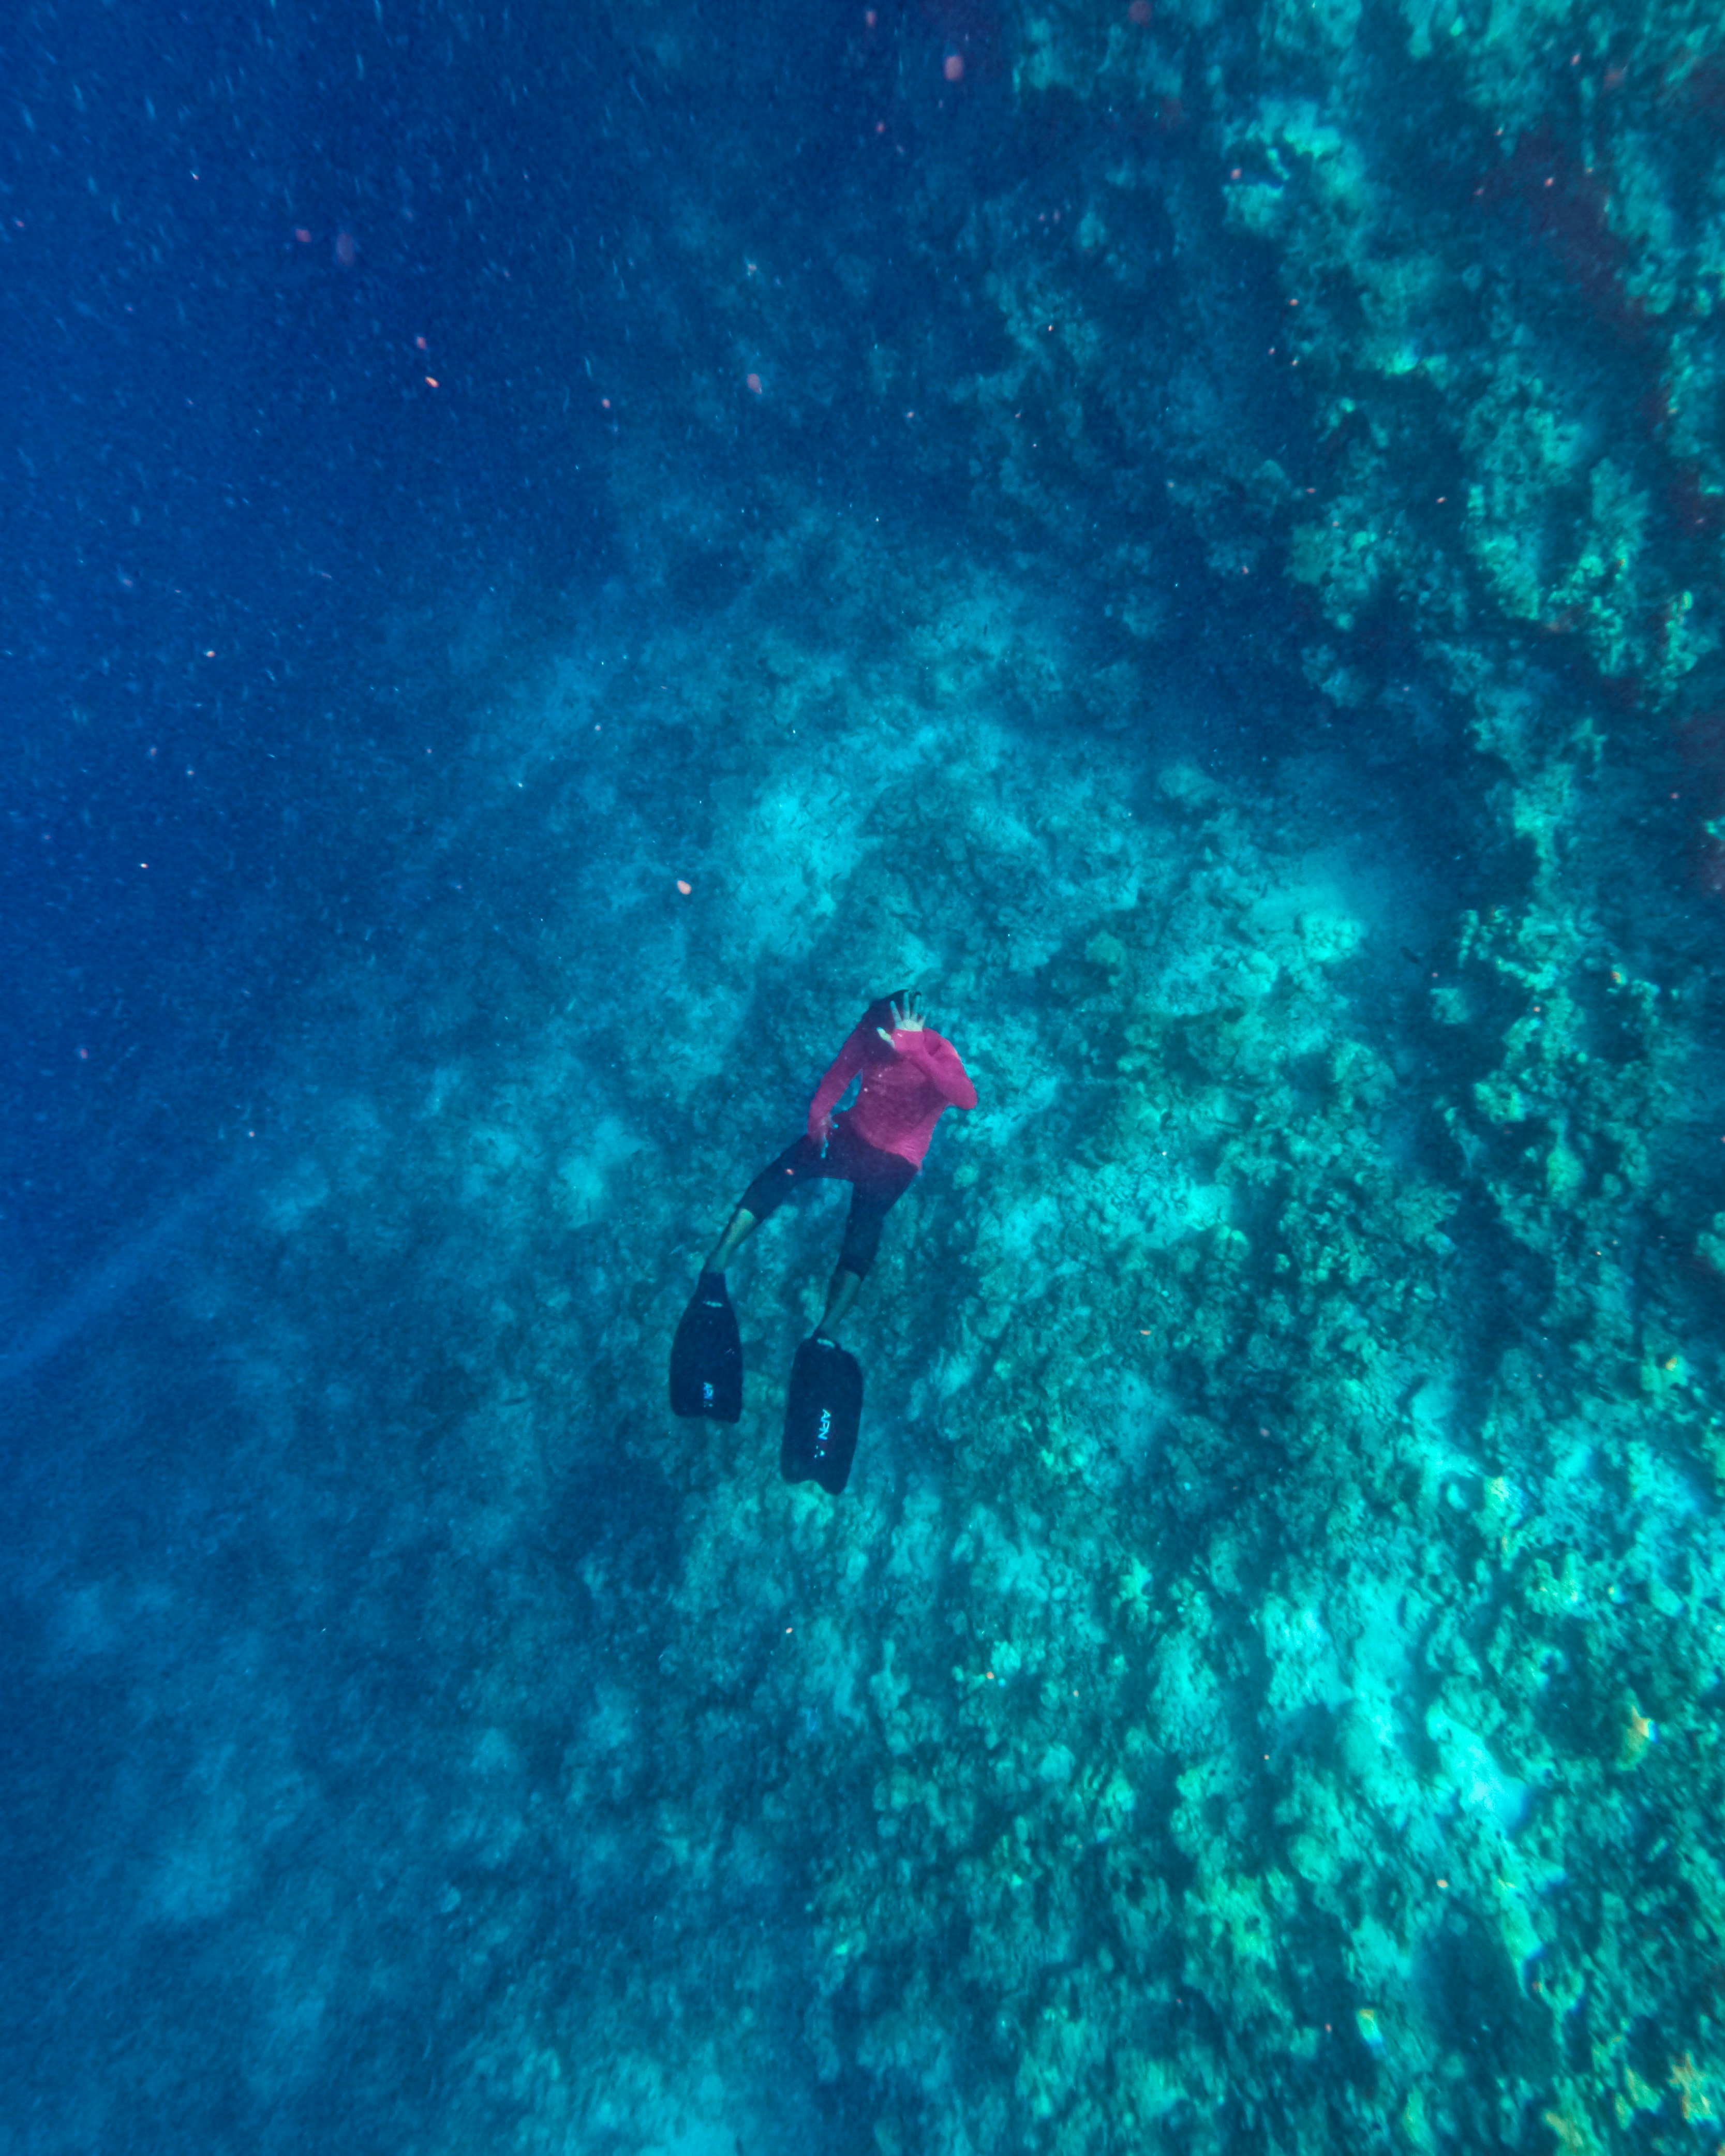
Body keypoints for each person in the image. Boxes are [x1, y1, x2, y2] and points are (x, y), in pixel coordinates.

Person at [702, 988, 977, 1340]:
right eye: (871, 1030)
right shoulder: (869, 1031)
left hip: (897, 1158)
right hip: (851, 1133)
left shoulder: (938, 1051)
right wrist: (818, 1113)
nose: (872, 1040)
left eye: (882, 1035)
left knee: (863, 1225)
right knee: (785, 1168)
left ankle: (827, 1328)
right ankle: (720, 1255)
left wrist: (916, 1052)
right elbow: (839, 1074)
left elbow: (968, 1099)